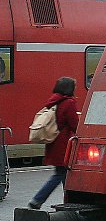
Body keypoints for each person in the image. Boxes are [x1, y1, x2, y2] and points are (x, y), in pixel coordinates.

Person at [28, 77, 79, 210]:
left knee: (64, 174)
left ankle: (69, 202)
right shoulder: (69, 103)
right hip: (64, 145)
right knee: (62, 174)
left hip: (54, 142)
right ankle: (38, 199)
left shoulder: (54, 101)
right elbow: (75, 124)